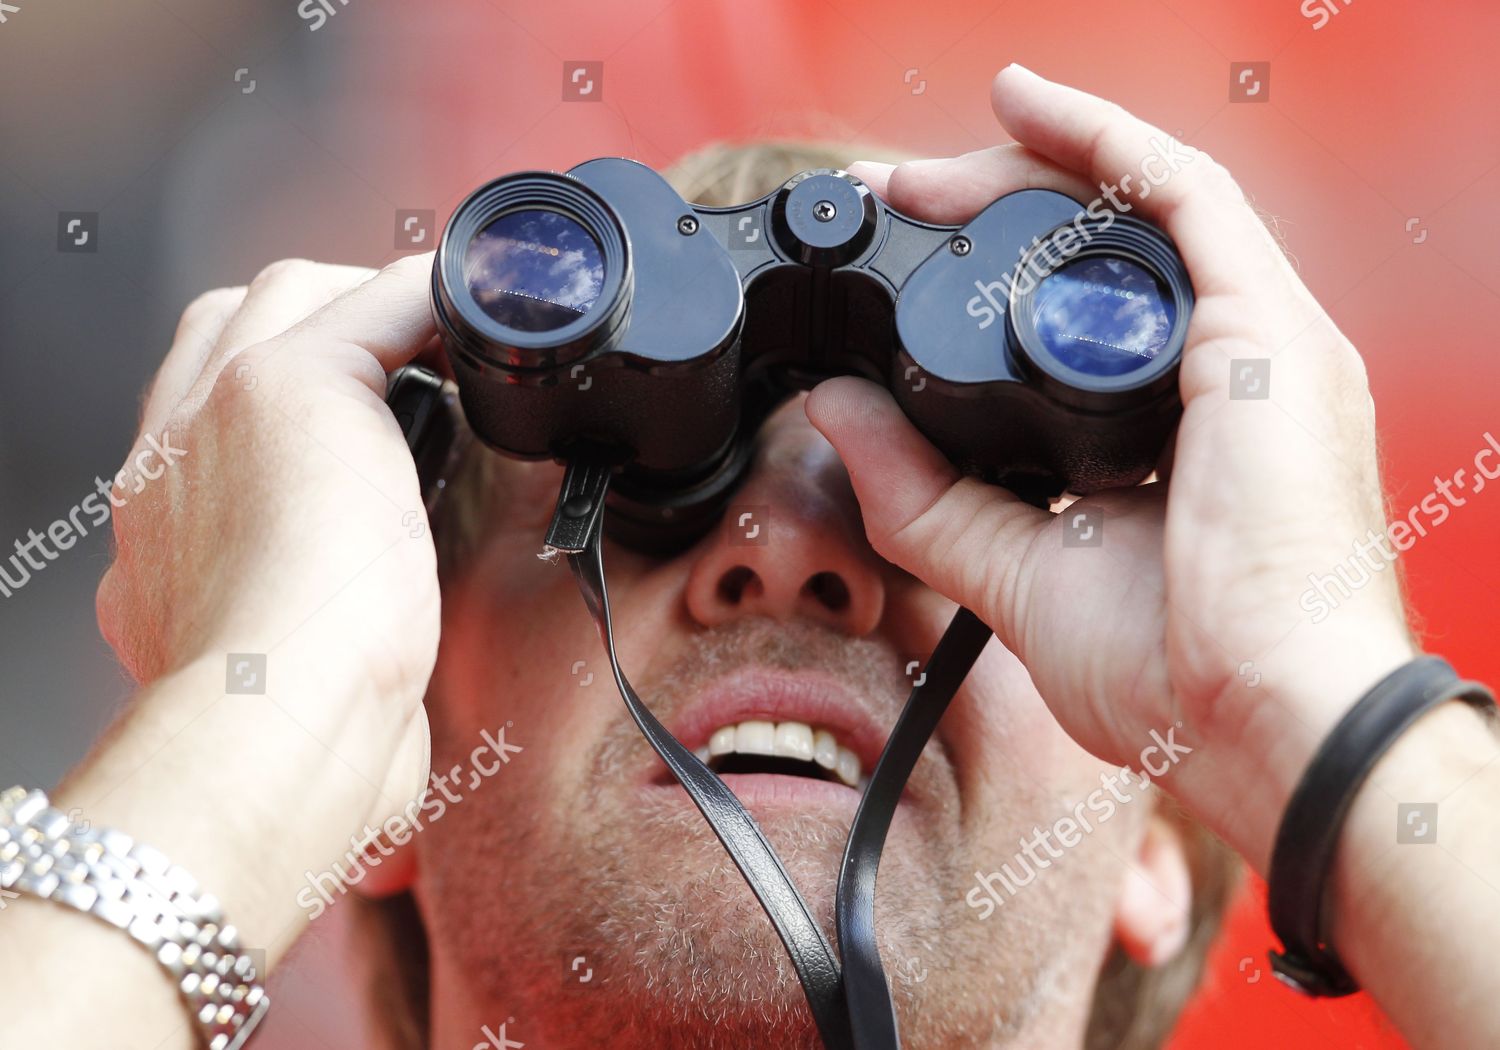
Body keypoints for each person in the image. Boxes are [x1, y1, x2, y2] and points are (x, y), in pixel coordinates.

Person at [3, 66, 1496, 1050]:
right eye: (636, 483)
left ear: (1163, 841)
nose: (784, 562)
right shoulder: (323, 726)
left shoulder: (1249, 731)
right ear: (398, 759)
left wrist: (1301, 706)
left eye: (963, 499)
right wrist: (265, 705)